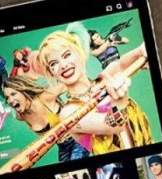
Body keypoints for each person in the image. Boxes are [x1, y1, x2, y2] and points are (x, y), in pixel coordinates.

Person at [37, 30, 152, 158]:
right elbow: (113, 126)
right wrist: (119, 101)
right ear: (52, 72)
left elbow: (122, 63)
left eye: (67, 55)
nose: (63, 65)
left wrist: (141, 51)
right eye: (54, 64)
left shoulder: (105, 78)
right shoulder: (68, 113)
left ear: (80, 53)